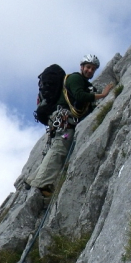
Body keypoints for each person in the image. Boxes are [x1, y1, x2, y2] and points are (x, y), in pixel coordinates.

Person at [29, 54, 114, 197]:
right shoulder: (75, 78)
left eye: (93, 69)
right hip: (63, 118)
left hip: (62, 119)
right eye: (88, 67)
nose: (90, 71)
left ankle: (32, 179)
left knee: (56, 147)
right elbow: (80, 96)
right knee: (59, 148)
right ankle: (42, 183)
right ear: (82, 67)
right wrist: (103, 94)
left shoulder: (84, 83)